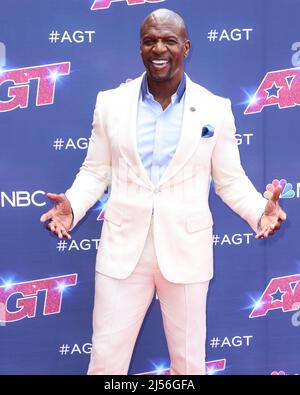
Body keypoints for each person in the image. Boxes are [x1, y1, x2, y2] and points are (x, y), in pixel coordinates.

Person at [40, 8, 286, 375]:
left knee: (189, 367)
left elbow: (230, 180)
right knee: (106, 363)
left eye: (169, 40)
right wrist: (72, 206)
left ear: (186, 47)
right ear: (139, 48)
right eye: (150, 40)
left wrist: (258, 211)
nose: (159, 48)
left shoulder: (215, 109)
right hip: (122, 254)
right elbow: (95, 171)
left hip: (187, 252)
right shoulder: (110, 103)